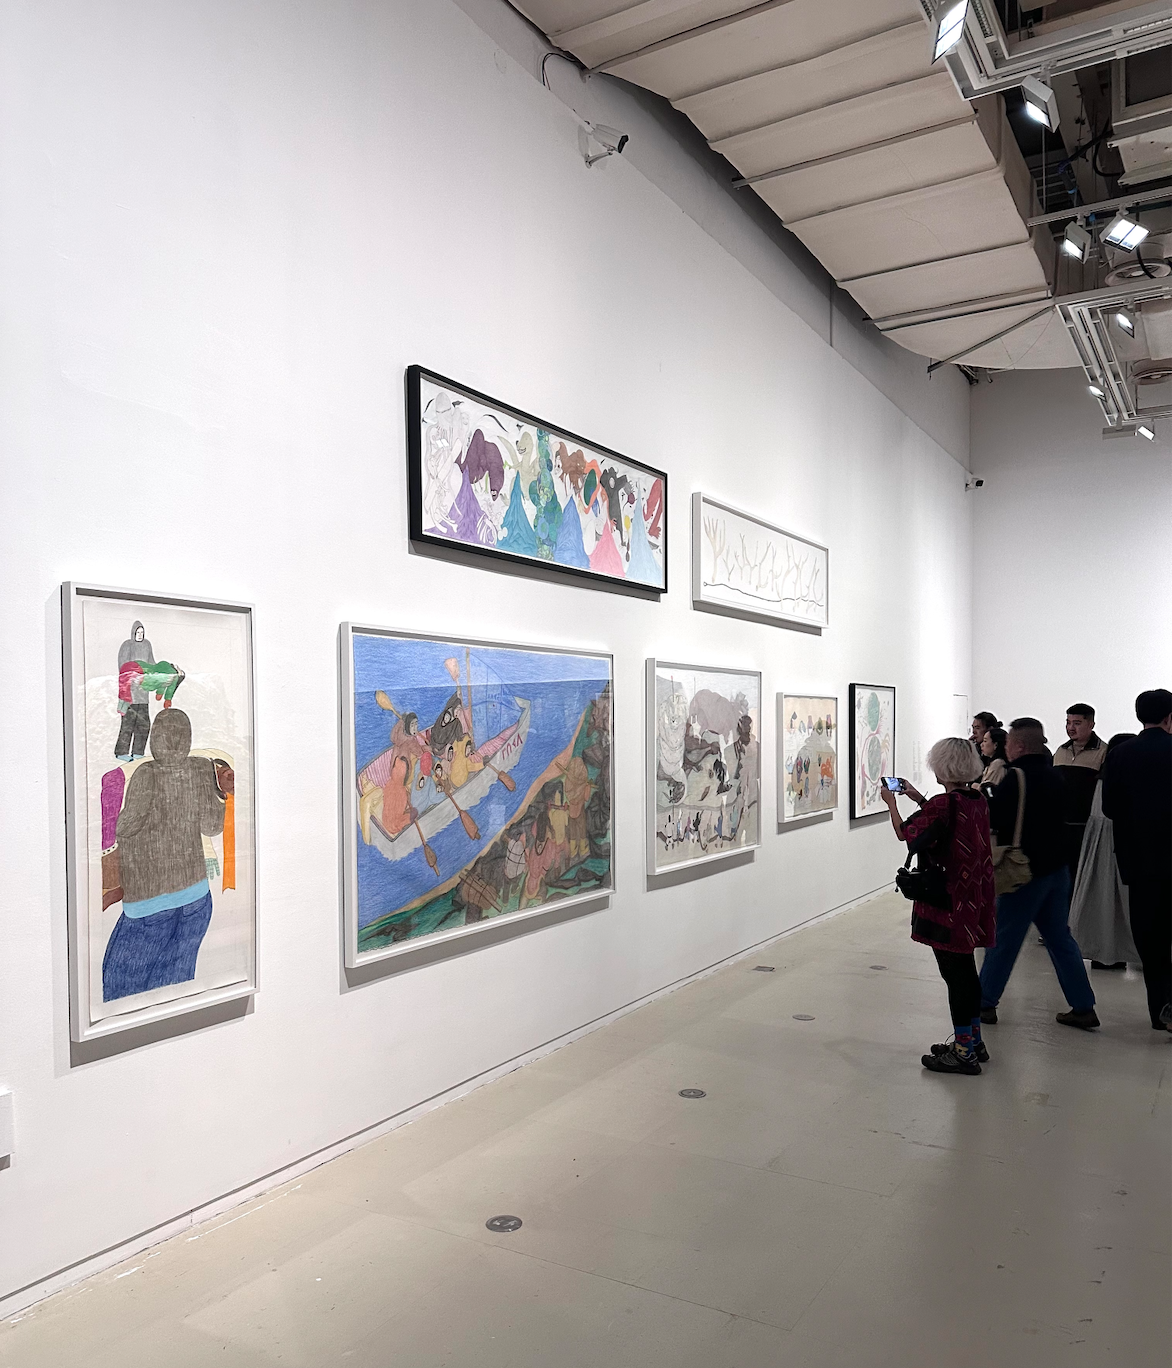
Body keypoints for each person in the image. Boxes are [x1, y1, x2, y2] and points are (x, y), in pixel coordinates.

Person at [881, 738, 996, 1075]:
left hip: (948, 902)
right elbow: (945, 821)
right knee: (966, 972)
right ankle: (973, 1041)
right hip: (972, 899)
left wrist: (891, 803)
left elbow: (906, 834)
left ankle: (963, 1053)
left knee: (955, 976)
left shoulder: (944, 804)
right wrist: (918, 798)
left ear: (941, 767)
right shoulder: (976, 799)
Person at [978, 718, 1099, 1030]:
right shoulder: (1057, 775)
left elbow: (996, 818)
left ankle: (984, 1002)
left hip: (1024, 871)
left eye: (1008, 743)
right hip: (1057, 869)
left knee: (1004, 938)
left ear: (1019, 746)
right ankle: (1083, 1006)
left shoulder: (1015, 777)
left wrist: (986, 797)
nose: (1006, 747)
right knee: (1060, 938)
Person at [102, 709, 230, 1002]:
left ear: (154, 739)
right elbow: (212, 827)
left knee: (120, 994)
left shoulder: (147, 774)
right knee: (173, 990)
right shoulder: (201, 767)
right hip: (196, 899)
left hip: (150, 904)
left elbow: (126, 826)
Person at [1101, 689, 1172, 1033]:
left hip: (1139, 858)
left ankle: (1160, 1009)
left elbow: (1109, 808)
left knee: (1150, 934)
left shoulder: (1121, 753)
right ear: (1170, 717)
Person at [1069, 734, 1138, 971]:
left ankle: (1104, 952)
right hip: (1120, 844)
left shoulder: (1103, 779)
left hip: (1099, 847)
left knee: (1101, 901)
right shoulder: (1125, 779)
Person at [1053, 703, 1109, 891]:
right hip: (1061, 825)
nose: (1071, 728)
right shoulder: (1060, 751)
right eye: (1068, 722)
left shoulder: (1103, 752)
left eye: (1077, 723)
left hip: (1086, 826)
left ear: (1091, 724)